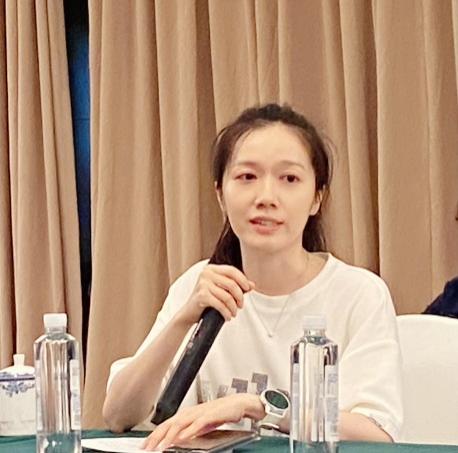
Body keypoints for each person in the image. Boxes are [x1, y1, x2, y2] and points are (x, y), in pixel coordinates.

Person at [103, 104, 403, 451]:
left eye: (289, 179)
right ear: (220, 194)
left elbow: (376, 433)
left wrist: (257, 407)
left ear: (316, 198)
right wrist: (184, 319)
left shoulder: (359, 294)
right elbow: (118, 416)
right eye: (247, 177)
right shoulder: (200, 285)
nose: (266, 198)